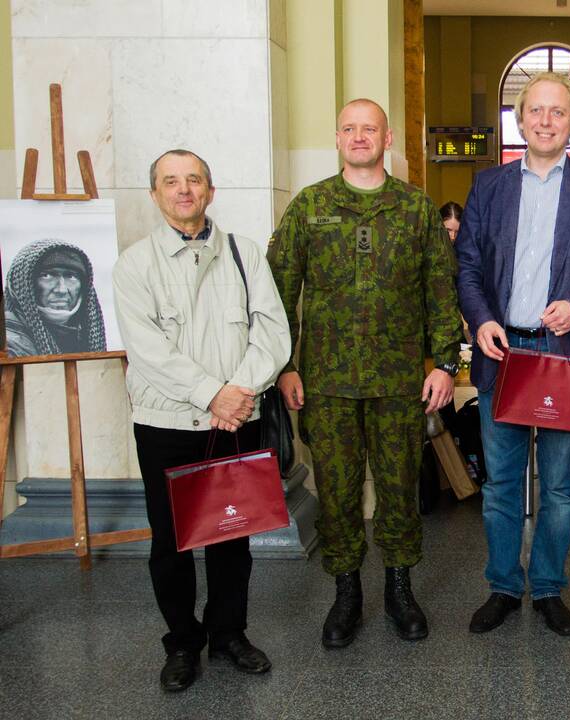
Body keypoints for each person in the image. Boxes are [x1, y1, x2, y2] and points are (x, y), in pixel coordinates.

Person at [268, 98, 461, 648]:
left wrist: (445, 363)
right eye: (349, 129)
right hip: (327, 385)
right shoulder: (310, 206)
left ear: (388, 138)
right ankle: (346, 591)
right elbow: (279, 293)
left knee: (400, 489)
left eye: (369, 128)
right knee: (337, 490)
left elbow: (440, 292)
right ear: (336, 138)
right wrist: (283, 366)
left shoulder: (416, 209)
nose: (359, 137)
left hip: (400, 382)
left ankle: (400, 587)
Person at [456, 72, 570, 637]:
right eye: (536, 110)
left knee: (558, 486)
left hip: (565, 355)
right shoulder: (488, 187)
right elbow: (467, 268)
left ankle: (550, 587)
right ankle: (504, 585)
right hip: (502, 351)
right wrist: (481, 318)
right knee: (502, 482)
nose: (546, 120)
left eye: (558, 112)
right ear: (520, 118)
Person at [113, 149, 291, 692]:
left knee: (232, 537)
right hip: (167, 425)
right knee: (171, 543)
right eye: (171, 181)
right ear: (155, 194)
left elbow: (272, 330)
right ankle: (182, 643)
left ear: (211, 191)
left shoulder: (243, 255)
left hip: (238, 421)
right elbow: (147, 350)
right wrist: (213, 393)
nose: (183, 189)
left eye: (194, 180)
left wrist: (239, 392)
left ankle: (229, 634)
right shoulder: (134, 266)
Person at [4, 239, 107, 356]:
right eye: (47, 276)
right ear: (22, 284)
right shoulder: (9, 346)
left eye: (71, 276)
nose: (61, 290)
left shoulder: (82, 338)